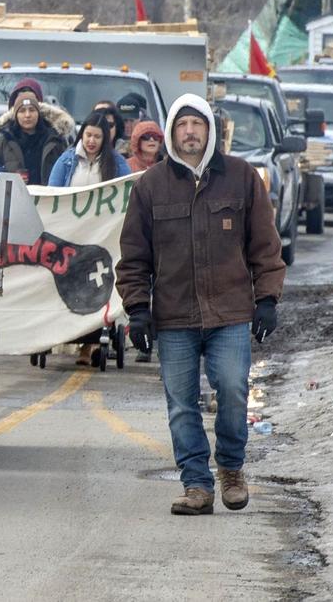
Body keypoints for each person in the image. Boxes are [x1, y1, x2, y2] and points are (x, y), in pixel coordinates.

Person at [116, 93, 285, 516]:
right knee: (181, 403)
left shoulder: (242, 177)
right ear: (171, 133)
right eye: (182, 125)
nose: (190, 132)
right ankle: (196, 484)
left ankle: (231, 469)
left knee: (233, 390)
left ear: (211, 130)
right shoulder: (151, 186)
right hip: (174, 316)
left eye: (198, 124)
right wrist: (138, 309)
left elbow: (265, 246)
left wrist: (267, 299)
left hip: (230, 312)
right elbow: (133, 255)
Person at [0, 95, 71, 185]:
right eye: (22, 111)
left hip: (47, 193)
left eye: (32, 110)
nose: (27, 115)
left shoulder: (54, 139)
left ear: (38, 113)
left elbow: (68, 173)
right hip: (15, 193)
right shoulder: (6, 140)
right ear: (16, 115)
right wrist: (9, 178)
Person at [47, 111, 131, 187]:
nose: (92, 141)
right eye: (88, 135)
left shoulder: (118, 162)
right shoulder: (66, 160)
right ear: (82, 134)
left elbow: (127, 189)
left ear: (104, 138)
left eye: (97, 137)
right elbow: (53, 191)